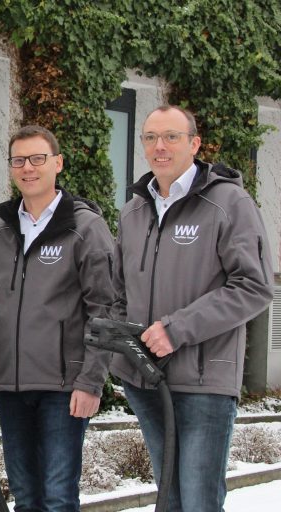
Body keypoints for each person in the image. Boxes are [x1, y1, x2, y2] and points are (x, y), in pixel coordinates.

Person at [110, 105, 274, 511]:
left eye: (171, 137)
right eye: (150, 137)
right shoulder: (132, 211)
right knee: (169, 500)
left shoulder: (228, 203)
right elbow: (118, 290)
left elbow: (253, 286)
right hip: (146, 379)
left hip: (203, 379)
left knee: (199, 500)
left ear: (194, 144)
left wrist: (176, 328)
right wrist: (122, 345)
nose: (159, 147)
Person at [0, 125, 114, 511]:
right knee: (25, 497)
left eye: (38, 159)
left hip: (64, 387)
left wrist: (91, 382)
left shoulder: (85, 229)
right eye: (19, 160)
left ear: (57, 163)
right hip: (11, 385)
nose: (28, 168)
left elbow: (106, 310)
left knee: (57, 496)